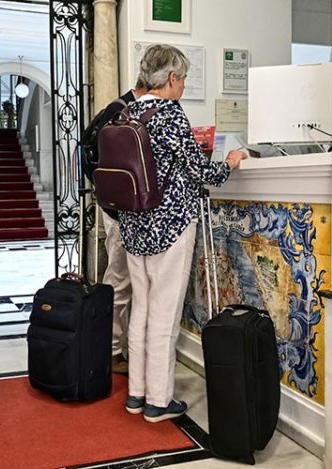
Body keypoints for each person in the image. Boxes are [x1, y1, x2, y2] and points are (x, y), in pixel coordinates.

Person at [119, 44, 246, 422]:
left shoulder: (130, 111)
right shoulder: (170, 114)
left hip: (134, 225)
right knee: (164, 315)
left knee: (141, 311)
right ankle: (159, 400)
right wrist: (229, 163)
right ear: (172, 78)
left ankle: (136, 394)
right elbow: (200, 173)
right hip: (170, 226)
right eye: (184, 77)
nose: (185, 84)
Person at [83, 78, 147, 374]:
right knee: (119, 280)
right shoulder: (127, 113)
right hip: (123, 212)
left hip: (113, 207)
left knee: (120, 279)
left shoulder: (114, 109)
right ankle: (110, 350)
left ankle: (112, 346)